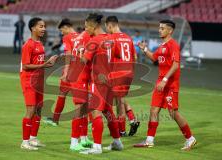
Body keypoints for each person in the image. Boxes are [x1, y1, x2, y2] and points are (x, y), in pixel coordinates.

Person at [133, 20, 196, 151]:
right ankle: (149, 141)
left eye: (162, 28)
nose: (159, 30)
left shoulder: (173, 45)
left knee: (173, 113)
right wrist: (144, 49)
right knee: (153, 110)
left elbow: (175, 65)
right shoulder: (162, 45)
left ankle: (190, 139)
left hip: (170, 84)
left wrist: (165, 80)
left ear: (170, 31)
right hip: (160, 83)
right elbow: (154, 58)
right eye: (159, 28)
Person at [79, 13, 123, 154]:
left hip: (97, 81)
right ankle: (117, 141)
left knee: (96, 112)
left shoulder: (94, 41)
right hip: (109, 81)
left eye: (87, 27)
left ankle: (97, 147)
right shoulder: (111, 39)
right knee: (108, 112)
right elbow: (117, 56)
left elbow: (84, 61)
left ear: (93, 26)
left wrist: (81, 51)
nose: (86, 30)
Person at [20, 17, 58, 150]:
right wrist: (45, 64)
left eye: (44, 26)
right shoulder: (28, 45)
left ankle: (33, 138)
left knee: (38, 109)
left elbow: (38, 63)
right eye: (41, 26)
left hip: (39, 81)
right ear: (33, 28)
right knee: (30, 110)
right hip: (29, 80)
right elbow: (25, 66)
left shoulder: (40, 43)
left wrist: (48, 63)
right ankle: (24, 142)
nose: (44, 29)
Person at [105, 15, 140, 137]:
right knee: (121, 99)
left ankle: (122, 130)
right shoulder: (128, 38)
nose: (107, 30)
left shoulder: (111, 38)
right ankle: (132, 120)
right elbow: (135, 57)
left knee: (118, 103)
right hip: (128, 73)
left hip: (117, 73)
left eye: (107, 27)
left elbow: (108, 58)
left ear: (110, 25)